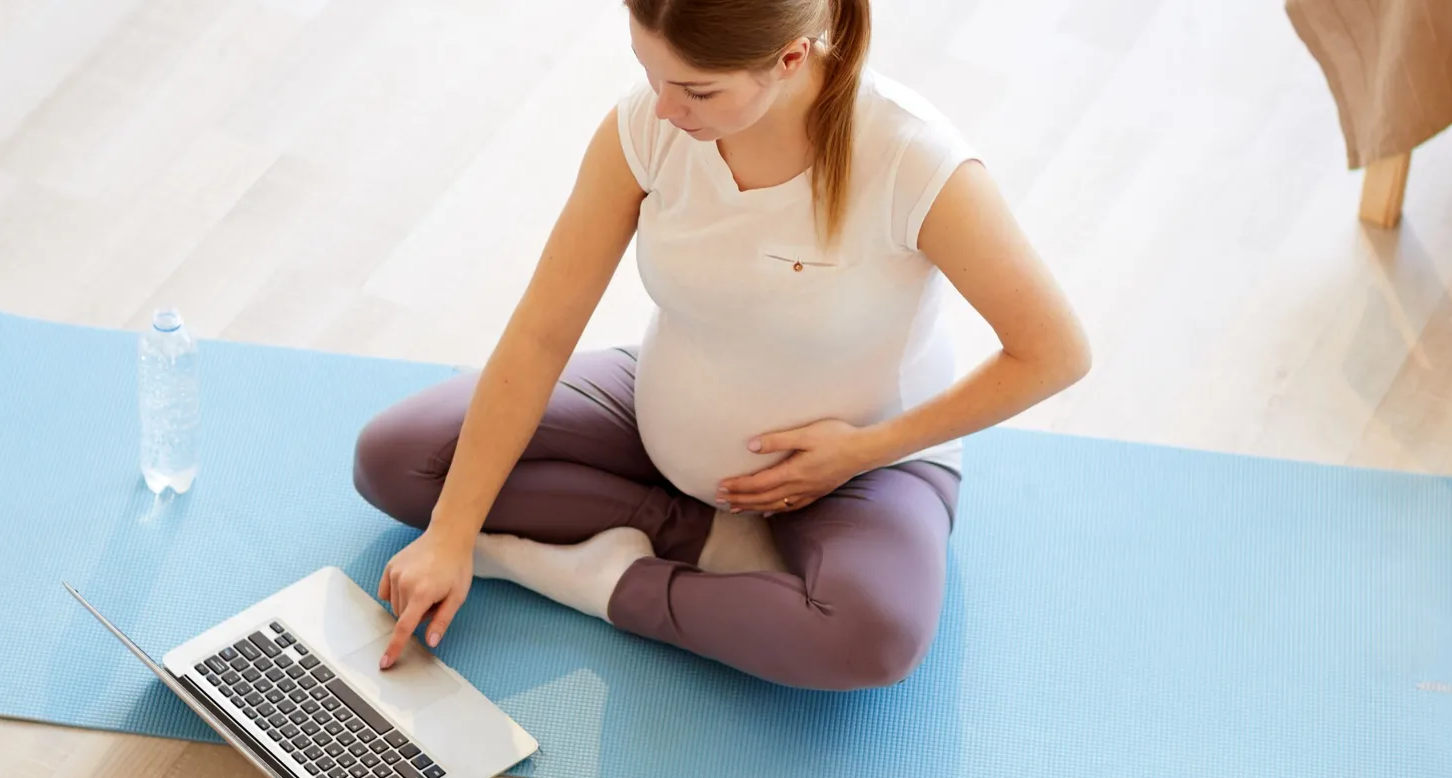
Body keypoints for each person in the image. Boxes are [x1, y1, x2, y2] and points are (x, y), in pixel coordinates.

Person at [351, 0, 1090, 691]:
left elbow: (1055, 351)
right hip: (660, 411)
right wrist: (449, 536)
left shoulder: (915, 161)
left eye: (697, 92)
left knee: (870, 637)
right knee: (397, 463)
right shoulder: (645, 127)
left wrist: (863, 450)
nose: (665, 110)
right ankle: (708, 540)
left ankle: (600, 581)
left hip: (867, 459)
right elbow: (543, 330)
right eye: (650, 72)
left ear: (792, 59)